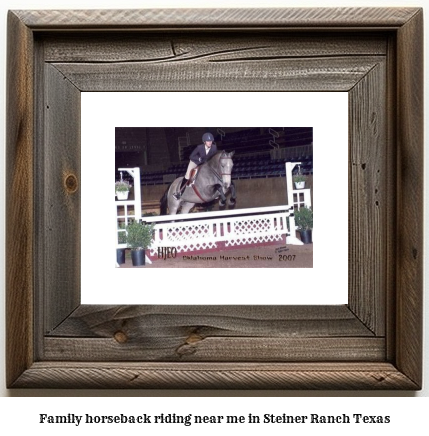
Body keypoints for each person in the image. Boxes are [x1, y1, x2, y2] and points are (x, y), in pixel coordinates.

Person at [173, 132, 218, 199]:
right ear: (204, 142)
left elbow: (214, 157)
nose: (210, 143)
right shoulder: (199, 147)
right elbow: (191, 156)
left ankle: (215, 191)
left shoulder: (214, 148)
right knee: (188, 176)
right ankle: (180, 193)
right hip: (195, 162)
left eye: (211, 141)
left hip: (205, 163)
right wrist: (199, 159)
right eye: (208, 141)